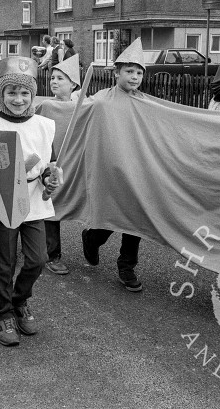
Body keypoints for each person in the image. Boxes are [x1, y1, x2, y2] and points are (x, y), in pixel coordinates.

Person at [0, 56, 59, 347]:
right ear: (2, 95)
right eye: (11, 92)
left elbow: (50, 163)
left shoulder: (45, 125)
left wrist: (49, 176)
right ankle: (3, 314)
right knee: (5, 261)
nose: (18, 99)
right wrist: (7, 172)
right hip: (4, 202)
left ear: (32, 96)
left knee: (38, 259)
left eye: (24, 93)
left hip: (34, 202)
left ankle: (20, 300)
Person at [80, 38, 146, 292]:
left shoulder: (145, 102)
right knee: (111, 214)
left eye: (139, 72)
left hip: (137, 169)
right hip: (109, 168)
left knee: (136, 217)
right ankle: (92, 238)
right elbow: (79, 117)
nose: (135, 76)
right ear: (116, 73)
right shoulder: (101, 100)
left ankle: (127, 266)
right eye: (129, 71)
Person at [34, 54, 81, 276]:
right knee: (50, 202)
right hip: (51, 160)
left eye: (61, 78)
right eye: (52, 77)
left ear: (73, 84)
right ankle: (52, 254)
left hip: (75, 160)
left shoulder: (83, 106)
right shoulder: (46, 105)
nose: (54, 81)